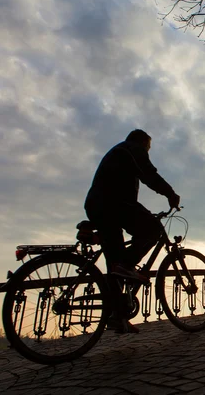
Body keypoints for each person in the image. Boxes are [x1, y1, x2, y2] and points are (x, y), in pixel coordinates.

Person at [84, 129, 180, 332]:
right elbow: (149, 175)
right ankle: (126, 265)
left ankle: (118, 316)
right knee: (153, 229)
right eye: (149, 147)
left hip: (97, 204)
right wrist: (170, 194)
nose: (148, 151)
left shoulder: (118, 153)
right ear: (143, 142)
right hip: (113, 202)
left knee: (114, 262)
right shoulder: (132, 149)